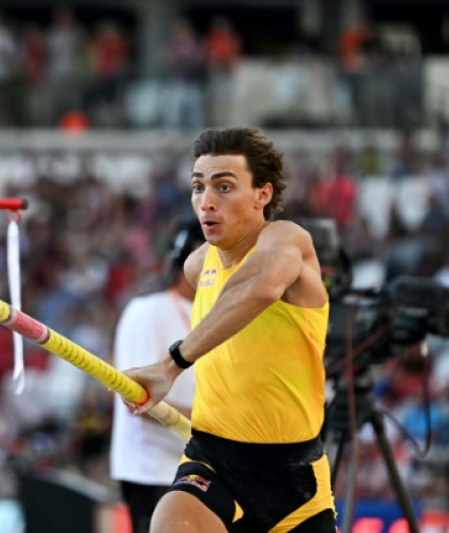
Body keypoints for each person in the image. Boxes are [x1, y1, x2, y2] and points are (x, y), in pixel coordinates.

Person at [124, 127, 336, 533]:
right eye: (198, 187)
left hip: (294, 481)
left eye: (224, 187)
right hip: (212, 459)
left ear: (263, 194)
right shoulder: (196, 265)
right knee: (171, 524)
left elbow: (261, 285)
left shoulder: (288, 239)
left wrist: (169, 366)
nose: (206, 202)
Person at [111, 215, 205, 533]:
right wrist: (210, 423)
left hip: (193, 464)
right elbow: (136, 396)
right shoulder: (148, 311)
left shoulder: (210, 311)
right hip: (153, 469)